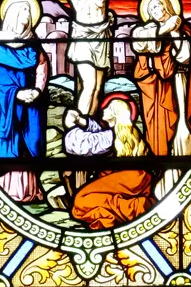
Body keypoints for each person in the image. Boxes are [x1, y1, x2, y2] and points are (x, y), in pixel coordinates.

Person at [4, 0, 163, 116]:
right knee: (88, 84)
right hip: (82, 35)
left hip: (102, 35)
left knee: (97, 87)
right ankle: (77, 125)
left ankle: (89, 124)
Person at [132, 0, 191, 199]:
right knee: (159, 131)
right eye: (152, 8)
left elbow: (185, 57)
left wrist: (174, 33)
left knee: (182, 126)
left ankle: (186, 176)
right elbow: (141, 47)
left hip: (180, 84)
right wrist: (164, 30)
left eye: (159, 6)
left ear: (168, 7)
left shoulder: (185, 30)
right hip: (156, 90)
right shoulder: (146, 30)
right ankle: (160, 180)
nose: (155, 10)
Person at [0, 0, 49, 202]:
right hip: (8, 106)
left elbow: (41, 67)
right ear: (12, 14)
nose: (27, 14)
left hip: (32, 105)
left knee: (32, 142)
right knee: (11, 141)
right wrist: (16, 94)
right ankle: (9, 190)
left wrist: (37, 90)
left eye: (29, 11)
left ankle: (31, 190)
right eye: (23, 10)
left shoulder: (33, 44)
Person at [65, 95, 154, 230]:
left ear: (115, 114)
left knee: (81, 201)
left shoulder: (112, 136)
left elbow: (81, 146)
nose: (104, 109)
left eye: (108, 107)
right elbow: (98, 132)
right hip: (135, 177)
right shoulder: (124, 132)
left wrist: (71, 126)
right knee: (85, 203)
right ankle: (124, 206)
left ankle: (135, 207)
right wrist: (80, 121)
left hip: (129, 177)